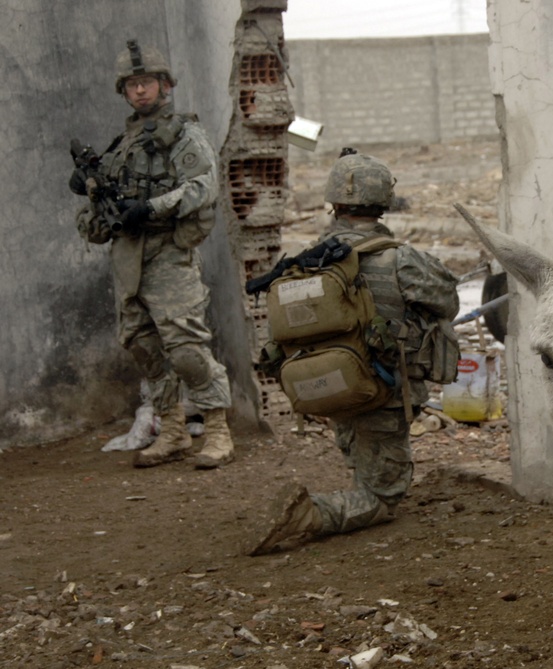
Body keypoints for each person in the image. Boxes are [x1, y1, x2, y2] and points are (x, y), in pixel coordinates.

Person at [250, 148, 460, 555]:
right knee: (384, 496)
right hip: (382, 390)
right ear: (384, 201)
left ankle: (355, 484)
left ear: (335, 202)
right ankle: (310, 514)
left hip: (327, 388)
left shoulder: (305, 261)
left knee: (364, 457)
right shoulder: (400, 259)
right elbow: (447, 301)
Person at [71, 40, 235, 469]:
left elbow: (203, 187)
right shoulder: (122, 145)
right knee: (143, 347)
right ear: (123, 92)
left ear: (164, 85)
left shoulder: (184, 134)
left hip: (167, 252)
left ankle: (217, 431)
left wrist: (152, 207)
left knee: (185, 347)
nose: (139, 91)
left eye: (146, 83)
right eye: (131, 85)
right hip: (128, 258)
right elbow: (103, 210)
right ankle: (175, 431)